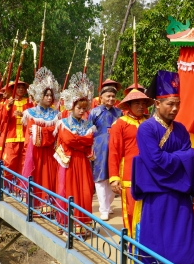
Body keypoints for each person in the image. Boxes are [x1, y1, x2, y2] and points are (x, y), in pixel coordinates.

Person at [131, 71, 194, 264]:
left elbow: (191, 156)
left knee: (185, 241)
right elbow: (155, 162)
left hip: (179, 198)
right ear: (157, 103)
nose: (174, 109)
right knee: (158, 243)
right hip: (158, 199)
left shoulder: (181, 129)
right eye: (170, 104)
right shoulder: (146, 129)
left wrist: (181, 158)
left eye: (178, 104)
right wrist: (182, 158)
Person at [55, 73, 95, 235]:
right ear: (71, 106)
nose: (82, 111)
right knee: (69, 191)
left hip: (82, 162)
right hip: (70, 163)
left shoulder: (88, 124)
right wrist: (81, 140)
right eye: (79, 108)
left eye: (84, 108)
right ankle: (68, 224)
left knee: (85, 191)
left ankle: (82, 224)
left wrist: (79, 140)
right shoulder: (63, 123)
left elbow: (89, 140)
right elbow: (68, 140)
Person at [108, 89, 152, 236]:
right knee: (131, 211)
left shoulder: (149, 122)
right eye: (137, 103)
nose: (141, 106)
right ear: (128, 105)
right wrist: (114, 177)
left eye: (143, 103)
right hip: (129, 175)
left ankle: (147, 244)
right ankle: (132, 245)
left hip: (150, 175)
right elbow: (114, 152)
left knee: (148, 211)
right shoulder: (120, 124)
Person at [21, 67, 60, 208]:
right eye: (46, 95)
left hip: (50, 152)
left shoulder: (56, 114)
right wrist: (47, 131)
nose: (49, 98)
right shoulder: (30, 113)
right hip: (35, 152)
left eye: (51, 95)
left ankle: (48, 206)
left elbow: (56, 133)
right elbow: (31, 133)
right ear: (39, 95)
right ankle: (35, 205)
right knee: (36, 177)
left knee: (49, 178)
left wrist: (42, 131)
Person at [89, 84, 122, 220]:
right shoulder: (94, 112)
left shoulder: (119, 113)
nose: (111, 98)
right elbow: (88, 132)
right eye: (108, 96)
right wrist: (89, 149)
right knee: (100, 178)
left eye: (113, 96)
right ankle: (104, 209)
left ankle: (107, 205)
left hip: (115, 148)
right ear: (101, 97)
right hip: (99, 148)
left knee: (113, 177)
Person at [1, 81, 33, 189]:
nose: (20, 89)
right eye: (18, 87)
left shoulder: (29, 103)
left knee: (23, 164)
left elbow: (33, 118)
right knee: (9, 163)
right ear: (13, 89)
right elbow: (3, 119)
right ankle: (6, 186)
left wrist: (23, 115)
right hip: (12, 138)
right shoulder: (8, 102)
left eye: (22, 88)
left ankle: (20, 188)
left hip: (25, 138)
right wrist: (8, 108)